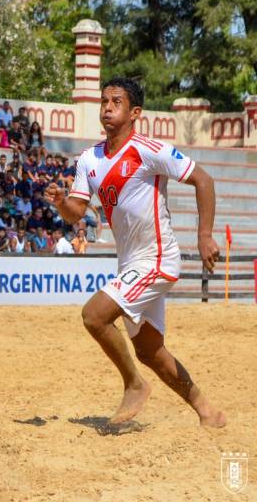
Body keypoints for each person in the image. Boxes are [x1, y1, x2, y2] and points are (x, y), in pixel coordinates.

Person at [45, 77, 225, 428]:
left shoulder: (149, 149)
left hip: (158, 258)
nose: (107, 107)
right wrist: (61, 203)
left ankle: (134, 385)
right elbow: (76, 213)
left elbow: (204, 180)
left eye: (116, 101)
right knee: (149, 351)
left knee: (94, 315)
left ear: (134, 112)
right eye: (103, 101)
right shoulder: (89, 159)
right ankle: (207, 411)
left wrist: (204, 235)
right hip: (131, 263)